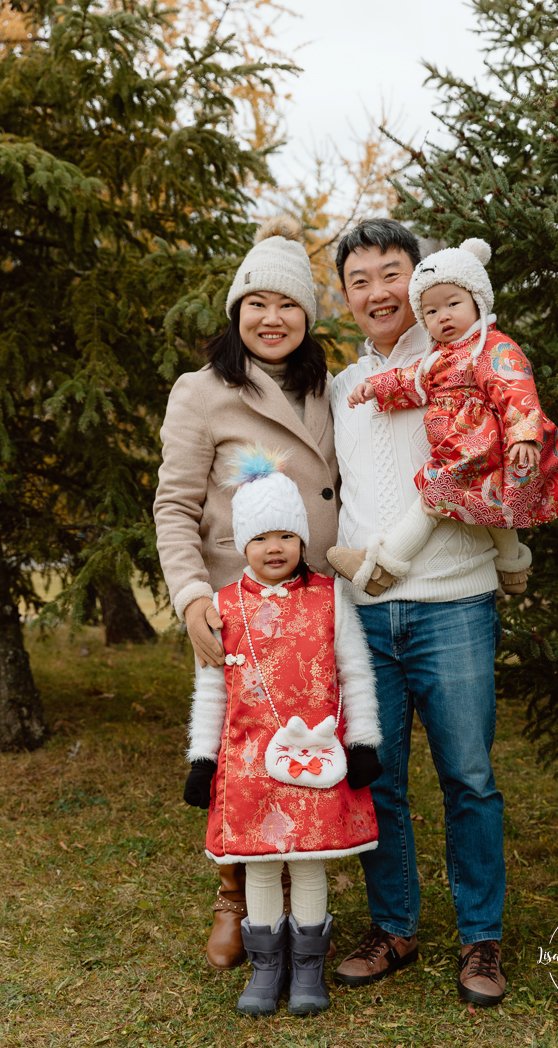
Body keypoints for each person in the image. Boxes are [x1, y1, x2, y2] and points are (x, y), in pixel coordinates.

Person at [329, 219, 514, 1007]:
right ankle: (393, 927)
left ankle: (482, 941)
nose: (377, 291)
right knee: (382, 780)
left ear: (420, 279)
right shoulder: (341, 387)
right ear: (344, 297)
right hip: (364, 610)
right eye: (359, 280)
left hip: (454, 601)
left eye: (390, 274)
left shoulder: (466, 361)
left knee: (468, 776)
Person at [153, 216, 339, 970]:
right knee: (239, 755)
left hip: (318, 605)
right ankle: (236, 897)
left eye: (288, 304)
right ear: (237, 312)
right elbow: (173, 504)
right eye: (257, 302)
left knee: (306, 743)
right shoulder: (202, 392)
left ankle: (303, 893)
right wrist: (192, 593)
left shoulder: (329, 387)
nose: (272, 318)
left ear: (307, 316)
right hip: (234, 604)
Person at [182, 445, 382, 1016]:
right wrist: (203, 758)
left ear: (301, 539)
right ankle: (267, 970)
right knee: (262, 863)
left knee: (310, 861)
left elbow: (355, 674)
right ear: (242, 543)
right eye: (262, 537)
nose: (276, 548)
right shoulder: (221, 608)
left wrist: (363, 741)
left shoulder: (329, 599)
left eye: (287, 536)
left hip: (315, 758)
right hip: (247, 761)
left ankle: (309, 968)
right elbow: (212, 690)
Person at [329, 238, 558, 593]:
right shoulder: (438, 358)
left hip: (481, 446)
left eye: (453, 304)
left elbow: (516, 386)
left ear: (477, 302)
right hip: (461, 446)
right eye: (431, 312)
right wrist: (377, 387)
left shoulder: (492, 347)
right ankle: (513, 568)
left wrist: (524, 433)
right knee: (491, 502)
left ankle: (382, 568)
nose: (443, 316)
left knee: (434, 496)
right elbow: (413, 381)